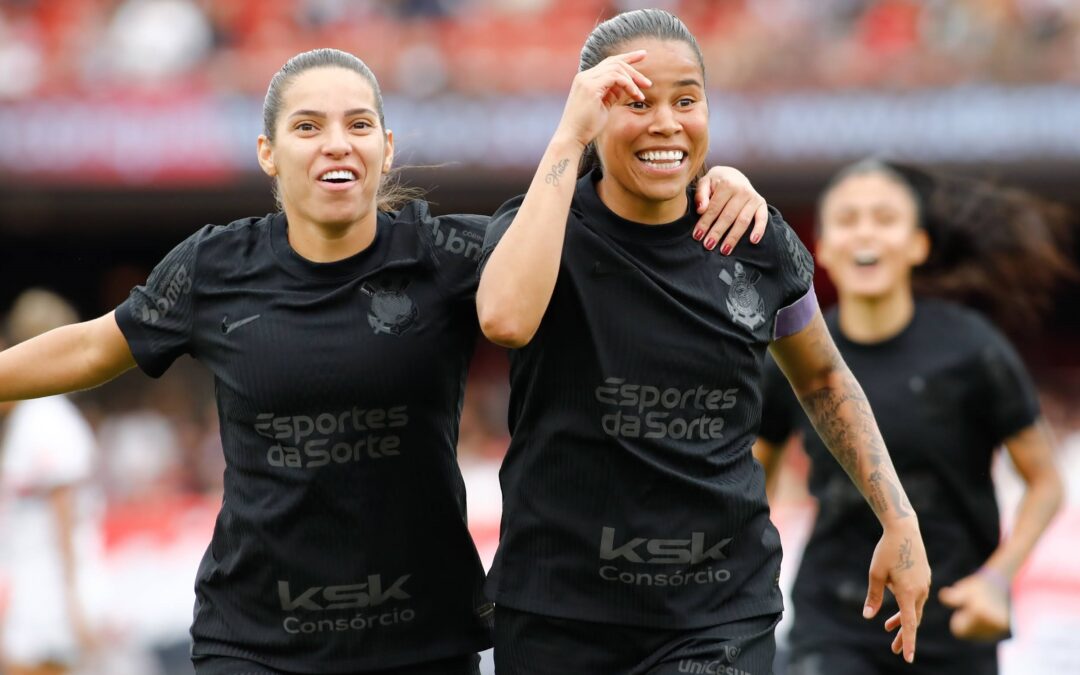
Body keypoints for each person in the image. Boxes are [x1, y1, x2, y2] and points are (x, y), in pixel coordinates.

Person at [0, 47, 770, 674]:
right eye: (308, 126)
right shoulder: (213, 267)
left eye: (359, 123)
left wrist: (709, 181)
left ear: (386, 146)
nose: (337, 141)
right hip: (254, 640)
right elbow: (97, 343)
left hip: (421, 641)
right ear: (268, 152)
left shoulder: (450, 255)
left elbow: (596, 240)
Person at [476, 9, 931, 675]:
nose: (666, 122)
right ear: (592, 112)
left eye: (686, 99)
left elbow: (824, 379)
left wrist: (899, 518)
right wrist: (567, 138)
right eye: (634, 101)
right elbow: (506, 320)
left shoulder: (755, 240)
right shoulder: (536, 232)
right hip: (556, 612)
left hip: (717, 612)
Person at [755, 158, 1070, 675]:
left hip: (953, 623)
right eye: (849, 219)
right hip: (832, 625)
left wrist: (997, 582)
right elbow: (751, 483)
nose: (866, 232)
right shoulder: (793, 357)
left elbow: (1045, 484)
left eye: (884, 218)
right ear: (823, 248)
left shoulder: (974, 350)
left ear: (918, 245)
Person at [0, 290, 102, 675]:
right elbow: (58, 516)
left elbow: (63, 512)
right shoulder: (43, 417)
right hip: (43, 587)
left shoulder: (41, 418)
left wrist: (72, 600)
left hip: (43, 589)